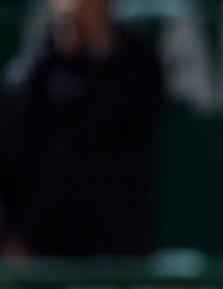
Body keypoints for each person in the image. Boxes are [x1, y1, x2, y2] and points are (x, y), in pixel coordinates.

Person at [0, 0, 163, 259]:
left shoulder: (137, 62)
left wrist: (99, 47)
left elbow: (138, 120)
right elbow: (12, 158)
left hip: (119, 244)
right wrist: (10, 232)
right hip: (44, 245)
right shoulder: (32, 72)